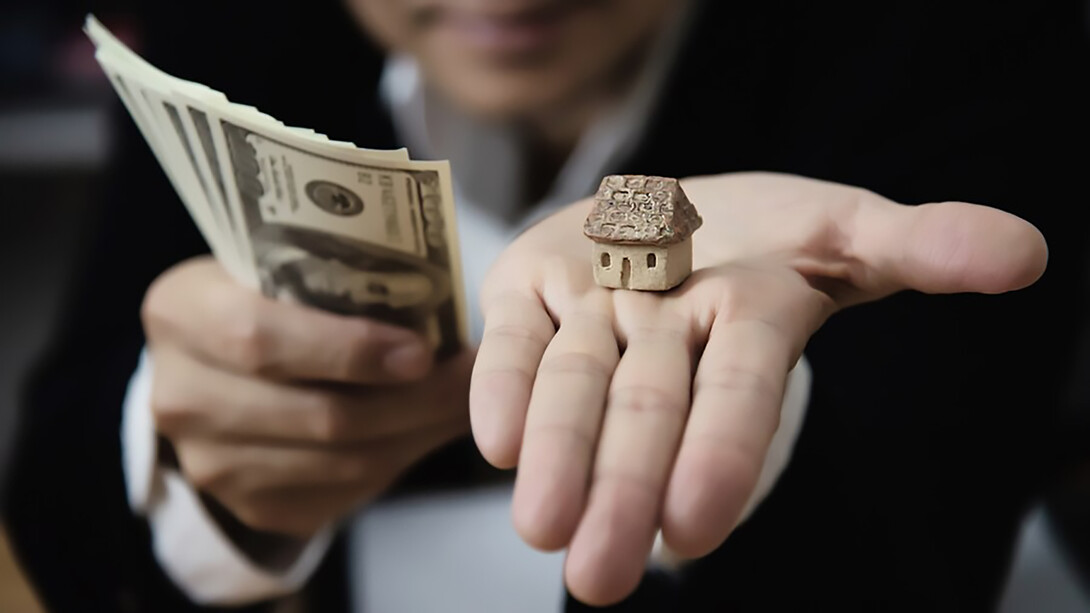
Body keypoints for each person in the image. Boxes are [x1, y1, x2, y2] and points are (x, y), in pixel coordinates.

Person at [5, 0, 1088, 611]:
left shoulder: (958, 39)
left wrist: (758, 425)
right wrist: (192, 466)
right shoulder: (232, 31)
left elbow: (935, 534)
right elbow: (56, 509)